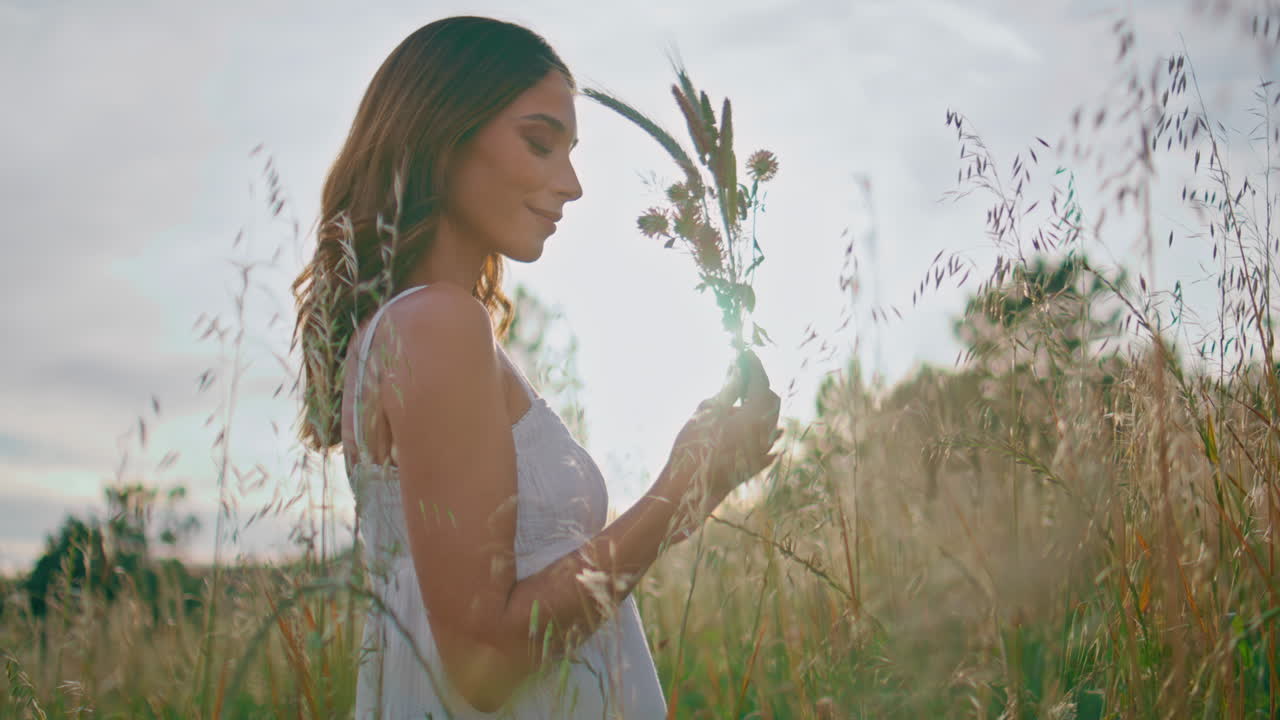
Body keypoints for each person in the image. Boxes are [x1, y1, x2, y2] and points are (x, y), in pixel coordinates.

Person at [291, 15, 782, 719]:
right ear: (443, 133)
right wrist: (679, 489)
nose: (573, 184)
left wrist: (698, 484)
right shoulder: (437, 323)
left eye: (570, 151)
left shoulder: (421, 327)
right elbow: (485, 664)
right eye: (539, 142)